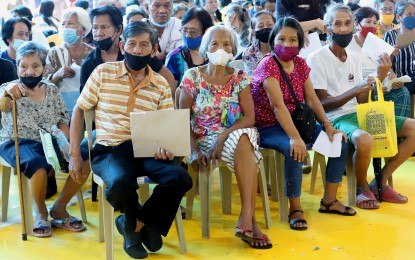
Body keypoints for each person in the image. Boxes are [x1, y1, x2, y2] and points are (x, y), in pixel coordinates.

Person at [69, 21, 192, 259]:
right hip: (110, 149)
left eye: (144, 45)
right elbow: (79, 110)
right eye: (132, 44)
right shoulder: (103, 73)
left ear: (154, 49)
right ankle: (144, 225)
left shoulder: (160, 85)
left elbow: (165, 128)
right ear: (123, 46)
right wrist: (75, 152)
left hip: (147, 149)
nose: (137, 50)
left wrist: (166, 148)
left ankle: (134, 224)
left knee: (180, 178)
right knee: (119, 184)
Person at [307, 4, 415, 209]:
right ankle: (361, 187)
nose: (343, 29)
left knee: (414, 128)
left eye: (347, 23)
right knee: (365, 139)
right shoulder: (316, 59)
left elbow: (363, 101)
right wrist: (355, 90)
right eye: (337, 24)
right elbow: (322, 105)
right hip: (334, 119)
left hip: (357, 113)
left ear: (353, 26)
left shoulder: (355, 58)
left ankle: (380, 182)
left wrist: (380, 77)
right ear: (327, 29)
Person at [251, 16, 353, 231]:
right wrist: (295, 138)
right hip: (269, 126)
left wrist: (327, 125)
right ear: (273, 40)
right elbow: (277, 106)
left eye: (292, 40)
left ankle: (329, 201)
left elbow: (312, 99)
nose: (286, 45)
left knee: (340, 141)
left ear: (300, 42)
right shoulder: (267, 64)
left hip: (296, 122)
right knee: (293, 150)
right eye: (281, 39)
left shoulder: (300, 63)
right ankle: (295, 208)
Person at [178, 25, 272, 249]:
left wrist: (224, 136)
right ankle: (250, 221)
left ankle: (247, 216)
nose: (221, 48)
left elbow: (249, 117)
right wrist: (194, 150)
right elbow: (181, 118)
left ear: (233, 49)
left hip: (236, 133)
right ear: (205, 48)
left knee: (243, 137)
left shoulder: (240, 77)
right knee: (246, 145)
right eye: (215, 44)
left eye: (227, 44)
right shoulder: (192, 77)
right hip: (205, 139)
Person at [0, 42, 88, 238]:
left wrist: (69, 147)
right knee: (36, 163)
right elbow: (3, 106)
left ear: (44, 68)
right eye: (24, 66)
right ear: (17, 66)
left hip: (51, 140)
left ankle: (59, 208)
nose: (29, 71)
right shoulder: (8, 88)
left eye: (35, 66)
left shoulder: (52, 89)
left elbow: (63, 120)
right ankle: (40, 212)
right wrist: (8, 94)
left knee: (85, 156)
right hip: (17, 140)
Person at [80, 5, 175, 94]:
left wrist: (164, 103)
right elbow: (85, 102)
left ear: (119, 29)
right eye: (95, 28)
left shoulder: (136, 53)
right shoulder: (88, 64)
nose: (99, 33)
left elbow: (168, 77)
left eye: (104, 27)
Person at [348, 6, 410, 117]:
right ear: (357, 24)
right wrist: (379, 83)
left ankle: (395, 130)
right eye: (368, 22)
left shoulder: (376, 43)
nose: (372, 26)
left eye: (375, 23)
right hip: (364, 91)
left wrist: (396, 80)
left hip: (383, 86)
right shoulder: (349, 46)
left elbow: (389, 69)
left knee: (403, 91)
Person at [46, 7, 93, 116]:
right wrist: (56, 76)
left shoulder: (92, 53)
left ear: (83, 29)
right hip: (59, 111)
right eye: (63, 24)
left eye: (70, 24)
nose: (65, 28)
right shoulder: (53, 53)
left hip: (88, 109)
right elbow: (42, 86)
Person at [165, 7, 213, 91]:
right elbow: (170, 94)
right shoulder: (175, 57)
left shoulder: (215, 56)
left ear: (206, 32)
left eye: (193, 32)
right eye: (184, 30)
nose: (187, 35)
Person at [384, 2, 415, 94]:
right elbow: (384, 64)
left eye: (414, 14)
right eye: (409, 14)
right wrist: (391, 55)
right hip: (399, 80)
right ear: (398, 17)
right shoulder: (390, 35)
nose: (413, 17)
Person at [242, 11, 275, 76]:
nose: (265, 28)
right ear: (254, 33)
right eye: (260, 26)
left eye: (269, 25)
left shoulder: (283, 49)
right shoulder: (248, 54)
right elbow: (252, 79)